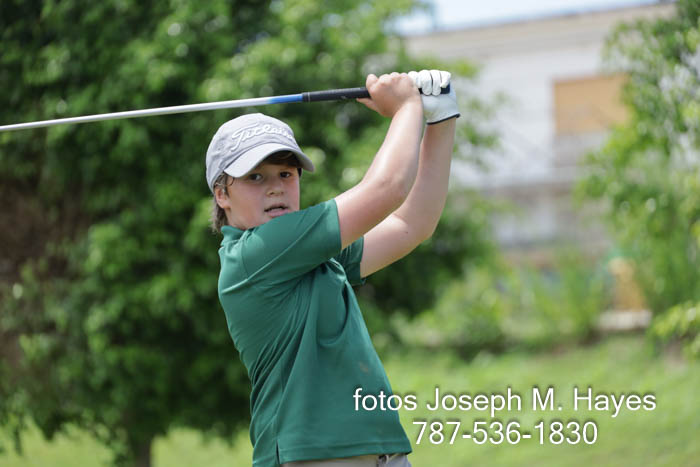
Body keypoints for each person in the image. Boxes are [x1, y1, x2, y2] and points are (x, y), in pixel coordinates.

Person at [205, 70, 459, 467]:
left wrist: (440, 120)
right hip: (313, 458)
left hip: (382, 454)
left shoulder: (309, 254)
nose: (275, 186)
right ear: (222, 194)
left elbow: (411, 225)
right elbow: (387, 188)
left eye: (286, 173)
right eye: (255, 176)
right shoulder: (254, 254)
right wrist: (407, 107)